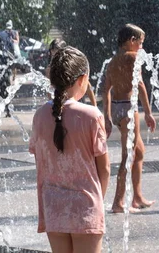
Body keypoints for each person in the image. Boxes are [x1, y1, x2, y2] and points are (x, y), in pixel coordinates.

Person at [29, 46, 110, 253]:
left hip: (53, 205)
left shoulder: (39, 116)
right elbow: (105, 169)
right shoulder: (91, 115)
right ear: (82, 79)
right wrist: (98, 202)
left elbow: (41, 161)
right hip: (85, 206)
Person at [103, 24, 156, 213]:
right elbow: (140, 85)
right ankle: (118, 202)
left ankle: (137, 197)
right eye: (140, 43)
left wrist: (107, 117)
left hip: (117, 109)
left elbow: (105, 90)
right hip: (128, 108)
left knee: (139, 152)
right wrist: (149, 113)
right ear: (131, 41)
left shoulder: (112, 62)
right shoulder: (133, 57)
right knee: (128, 157)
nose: (141, 47)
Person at [45, 39, 96, 106]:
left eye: (57, 53)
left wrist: (94, 105)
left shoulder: (72, 67)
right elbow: (49, 88)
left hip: (77, 100)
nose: (55, 57)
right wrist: (51, 104)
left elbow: (87, 84)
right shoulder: (50, 69)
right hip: (61, 105)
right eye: (53, 53)